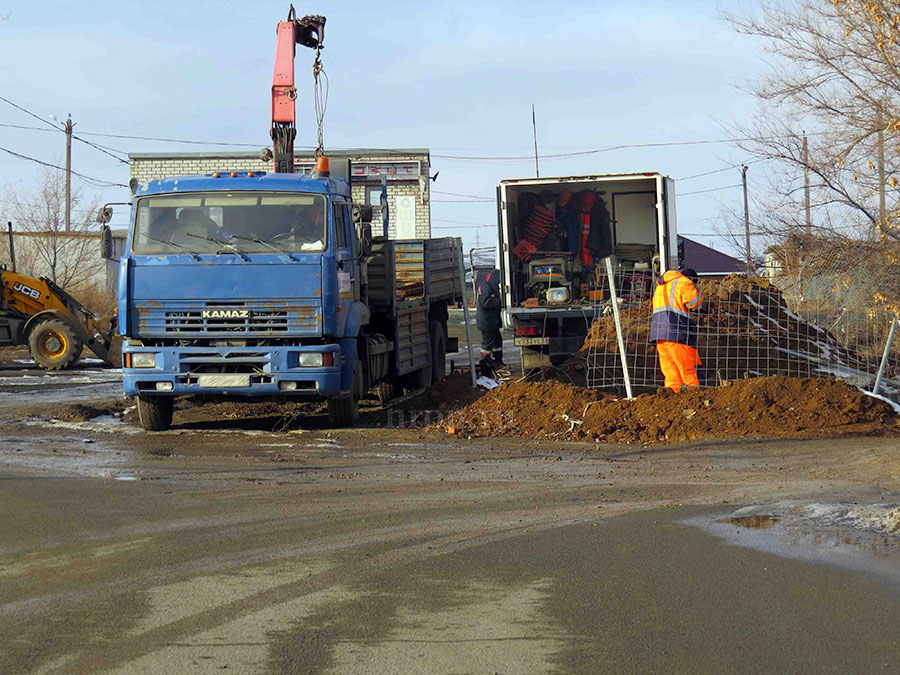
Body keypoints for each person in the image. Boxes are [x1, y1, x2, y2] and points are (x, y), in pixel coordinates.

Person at [649, 267, 703, 392]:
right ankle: (696, 395)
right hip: (677, 332)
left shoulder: (661, 286)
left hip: (659, 334)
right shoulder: (684, 282)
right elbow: (695, 303)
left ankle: (673, 398)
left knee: (671, 373)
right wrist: (697, 291)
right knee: (688, 369)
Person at [475, 268, 503, 366]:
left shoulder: (487, 286)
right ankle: (484, 362)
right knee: (487, 344)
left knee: (497, 342)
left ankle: (497, 360)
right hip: (487, 322)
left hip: (491, 321)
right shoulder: (486, 288)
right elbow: (485, 302)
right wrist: (500, 301)